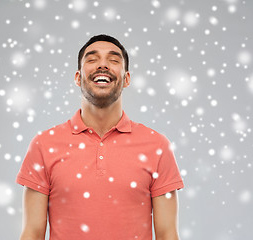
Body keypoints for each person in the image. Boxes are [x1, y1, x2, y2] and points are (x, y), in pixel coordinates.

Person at [16, 34, 184, 240]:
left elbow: (168, 234)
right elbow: (32, 233)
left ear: (126, 79)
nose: (103, 65)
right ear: (78, 77)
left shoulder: (157, 146)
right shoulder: (43, 145)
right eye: (92, 59)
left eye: (113, 60)